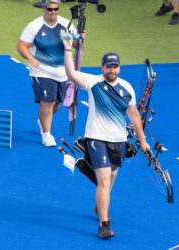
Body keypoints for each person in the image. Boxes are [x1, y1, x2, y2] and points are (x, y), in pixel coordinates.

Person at [62, 35, 150, 239]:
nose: (112, 70)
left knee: (110, 179)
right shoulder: (92, 82)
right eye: (108, 66)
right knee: (102, 181)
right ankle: (104, 224)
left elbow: (134, 116)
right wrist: (68, 49)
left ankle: (98, 207)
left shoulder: (127, 88)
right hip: (96, 139)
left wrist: (143, 140)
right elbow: (70, 73)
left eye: (115, 66)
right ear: (102, 67)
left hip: (119, 141)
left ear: (119, 68)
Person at [17, 0, 77, 147]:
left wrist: (78, 39)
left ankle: (42, 120)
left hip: (62, 70)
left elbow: (75, 44)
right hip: (41, 69)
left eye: (56, 9)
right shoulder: (34, 26)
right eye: (50, 9)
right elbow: (21, 46)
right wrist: (30, 58)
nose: (53, 12)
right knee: (48, 100)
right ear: (43, 8)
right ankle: (47, 134)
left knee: (58, 102)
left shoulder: (66, 24)